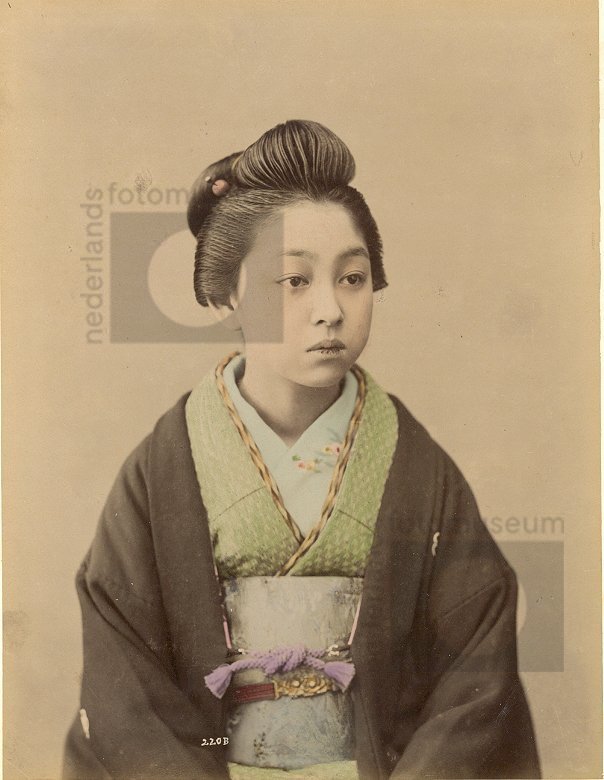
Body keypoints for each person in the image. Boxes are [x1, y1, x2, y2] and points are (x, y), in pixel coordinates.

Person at [63, 120, 541, 780]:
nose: (330, 309)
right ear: (226, 294)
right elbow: (127, 692)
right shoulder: (163, 470)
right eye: (294, 281)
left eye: (353, 278)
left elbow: (473, 678)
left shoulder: (416, 469)